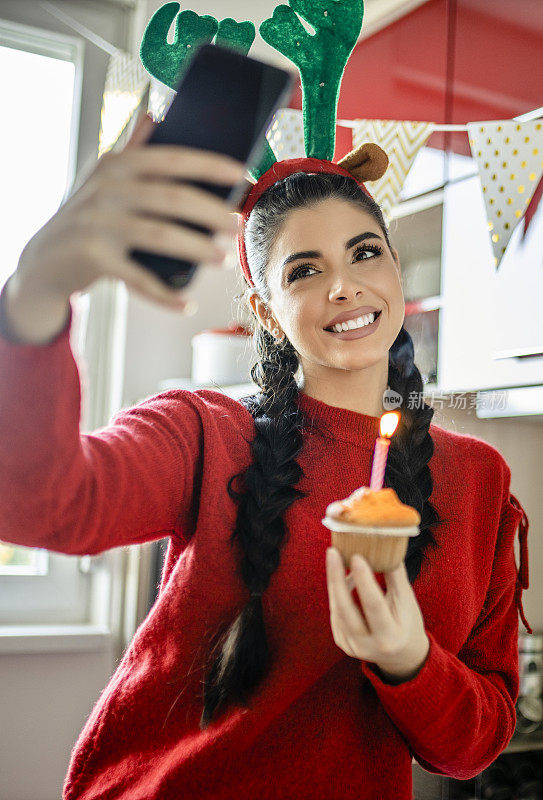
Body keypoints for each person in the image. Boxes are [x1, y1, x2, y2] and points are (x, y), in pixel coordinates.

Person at [0, 114, 531, 800]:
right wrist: (35, 294)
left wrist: (409, 661)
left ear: (395, 267)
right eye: (305, 270)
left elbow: (474, 747)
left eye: (365, 252)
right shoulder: (201, 433)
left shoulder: (479, 480)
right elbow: (37, 503)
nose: (343, 286)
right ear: (267, 311)